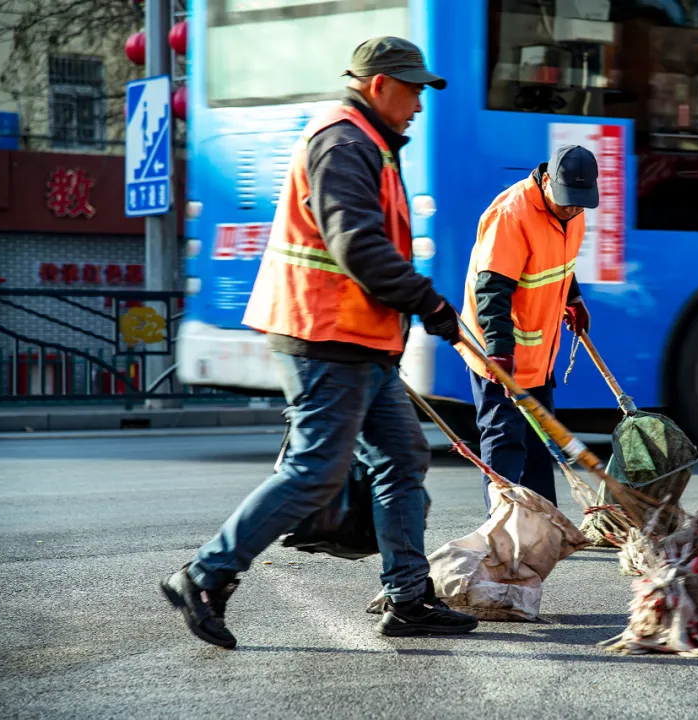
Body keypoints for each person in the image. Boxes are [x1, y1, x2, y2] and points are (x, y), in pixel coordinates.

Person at [160, 36, 479, 648]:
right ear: (379, 85)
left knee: (402, 460)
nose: (418, 103)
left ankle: (408, 598)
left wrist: (417, 310)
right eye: (412, 89)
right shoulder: (344, 142)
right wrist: (428, 302)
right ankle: (205, 575)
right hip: (323, 333)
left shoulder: (370, 143)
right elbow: (356, 245)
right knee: (315, 470)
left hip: (359, 339)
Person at [460, 145, 598, 511]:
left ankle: (542, 520)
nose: (572, 209)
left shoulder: (574, 210)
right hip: (498, 348)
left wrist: (574, 299)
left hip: (538, 351)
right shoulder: (512, 215)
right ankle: (501, 522)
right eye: (567, 200)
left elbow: (559, 263)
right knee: (505, 437)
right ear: (548, 181)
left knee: (540, 439)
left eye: (580, 202)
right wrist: (499, 352)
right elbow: (491, 290)